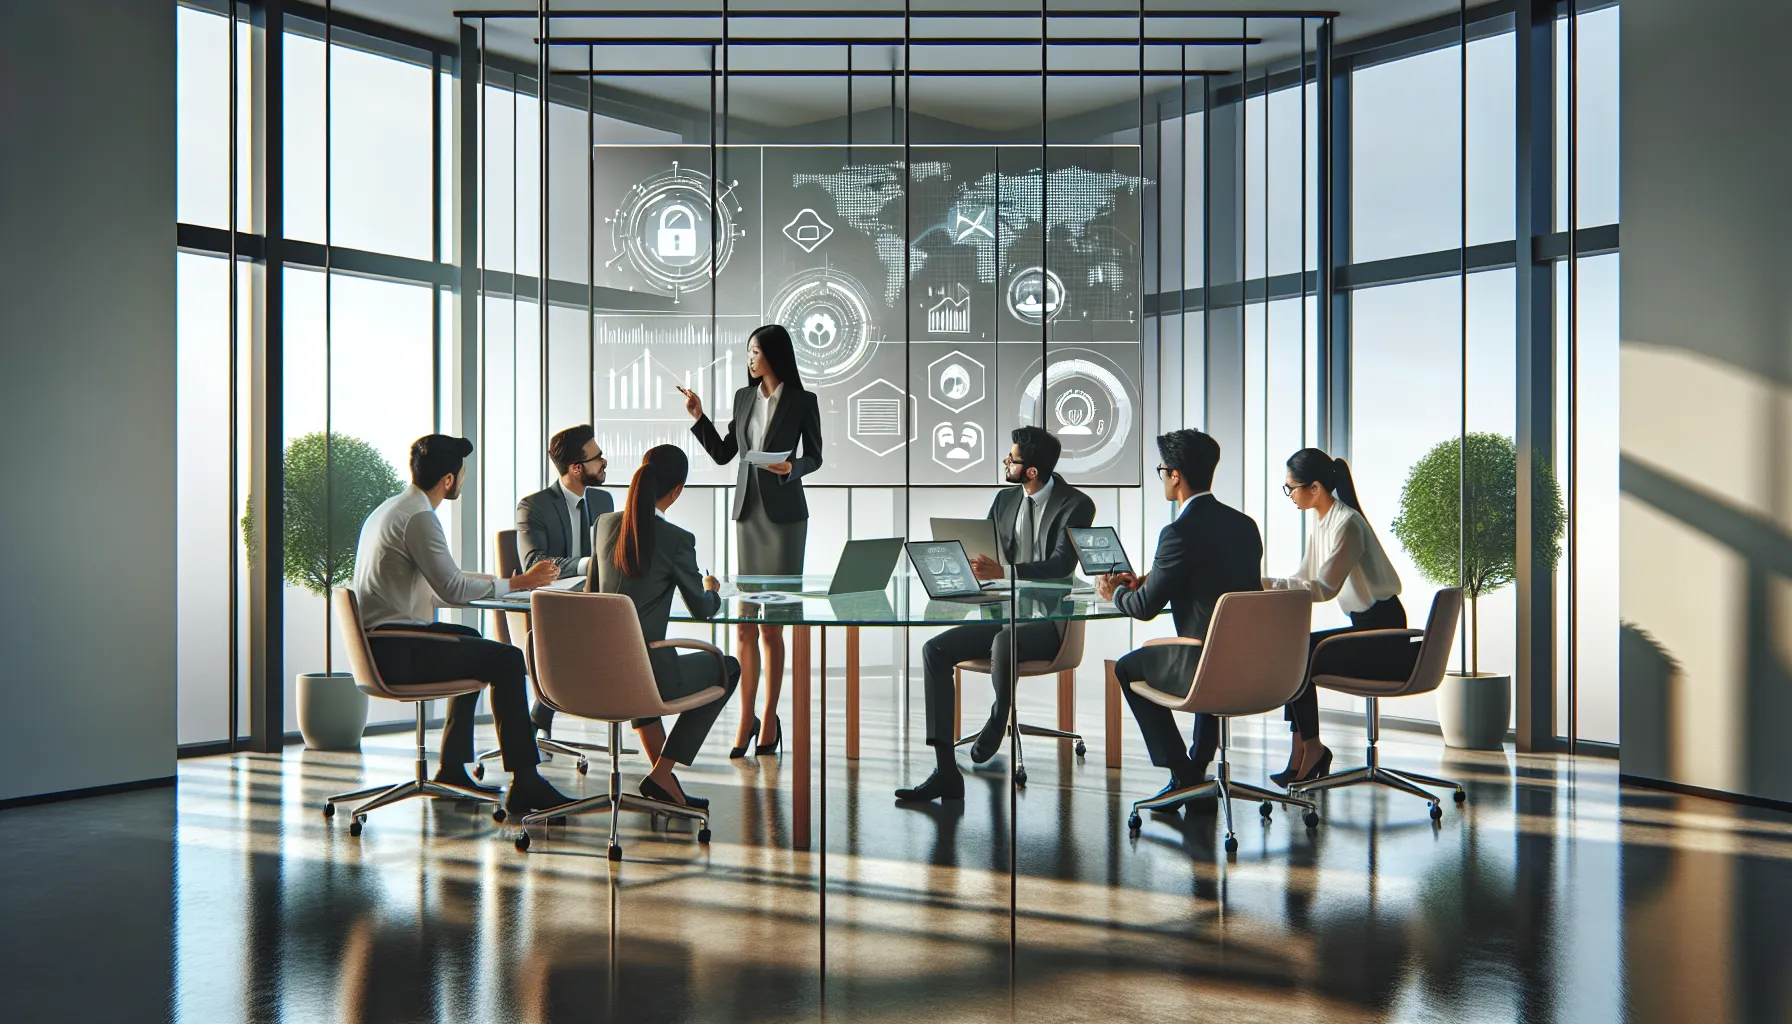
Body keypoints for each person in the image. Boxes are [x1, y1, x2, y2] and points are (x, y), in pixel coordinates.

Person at [350, 434, 571, 818]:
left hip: (384, 644)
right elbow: (451, 590)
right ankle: (526, 780)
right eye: (462, 475)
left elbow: (436, 584)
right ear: (449, 480)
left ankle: (452, 768)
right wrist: (518, 583)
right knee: (506, 658)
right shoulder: (420, 518)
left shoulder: (392, 510)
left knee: (471, 640)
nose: (463, 481)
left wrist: (500, 582)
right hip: (397, 650)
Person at [895, 426, 1096, 803]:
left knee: (1006, 641)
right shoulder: (1005, 500)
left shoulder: (1077, 505)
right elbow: (988, 550)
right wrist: (964, 571)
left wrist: (1004, 571)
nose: (1006, 462)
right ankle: (945, 772)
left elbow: (1059, 565)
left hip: (1050, 624)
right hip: (1001, 614)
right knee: (934, 650)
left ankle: (999, 712)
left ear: (1032, 471)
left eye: (1012, 459)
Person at [677, 324, 823, 759]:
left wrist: (791, 468)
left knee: (772, 622)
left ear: (775, 355)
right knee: (744, 620)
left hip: (785, 518)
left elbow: (814, 455)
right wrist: (698, 417)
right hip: (748, 515)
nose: (750, 359)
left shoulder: (802, 401)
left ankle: (769, 715)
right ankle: (746, 718)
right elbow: (725, 453)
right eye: (748, 353)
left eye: (755, 352)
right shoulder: (744, 399)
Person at [1096, 429, 1263, 808]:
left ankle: (1183, 773)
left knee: (1126, 668)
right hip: (1252, 664)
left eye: (1161, 471)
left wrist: (1116, 593)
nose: (1162, 480)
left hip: (1205, 666)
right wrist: (1151, 580)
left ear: (1175, 475)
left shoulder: (1178, 533)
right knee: (1208, 647)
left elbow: (1144, 609)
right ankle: (1199, 765)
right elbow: (1214, 580)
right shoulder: (1245, 526)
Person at [590, 445, 742, 810]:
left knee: (641, 658)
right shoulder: (677, 540)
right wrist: (711, 590)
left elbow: (591, 593)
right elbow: (704, 610)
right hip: (643, 673)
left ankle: (663, 781)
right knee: (728, 667)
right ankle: (663, 770)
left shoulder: (604, 524)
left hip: (594, 670)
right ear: (676, 491)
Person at [1268, 448, 1406, 788]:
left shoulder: (1347, 524)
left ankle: (1311, 749)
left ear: (1315, 488)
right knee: (1295, 650)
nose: (1290, 495)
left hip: (1384, 634)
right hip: (1364, 627)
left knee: (1300, 653)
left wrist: (1267, 584)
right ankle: (1302, 749)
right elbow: (1304, 576)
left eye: (1292, 488)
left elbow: (1325, 587)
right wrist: (1269, 584)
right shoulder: (1324, 523)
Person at [515, 424, 613, 737]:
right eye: (597, 457)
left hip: (593, 605)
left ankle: (539, 718)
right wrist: (589, 564)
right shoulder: (534, 506)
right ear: (576, 468)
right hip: (551, 610)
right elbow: (535, 563)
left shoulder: (603, 502)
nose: (604, 462)